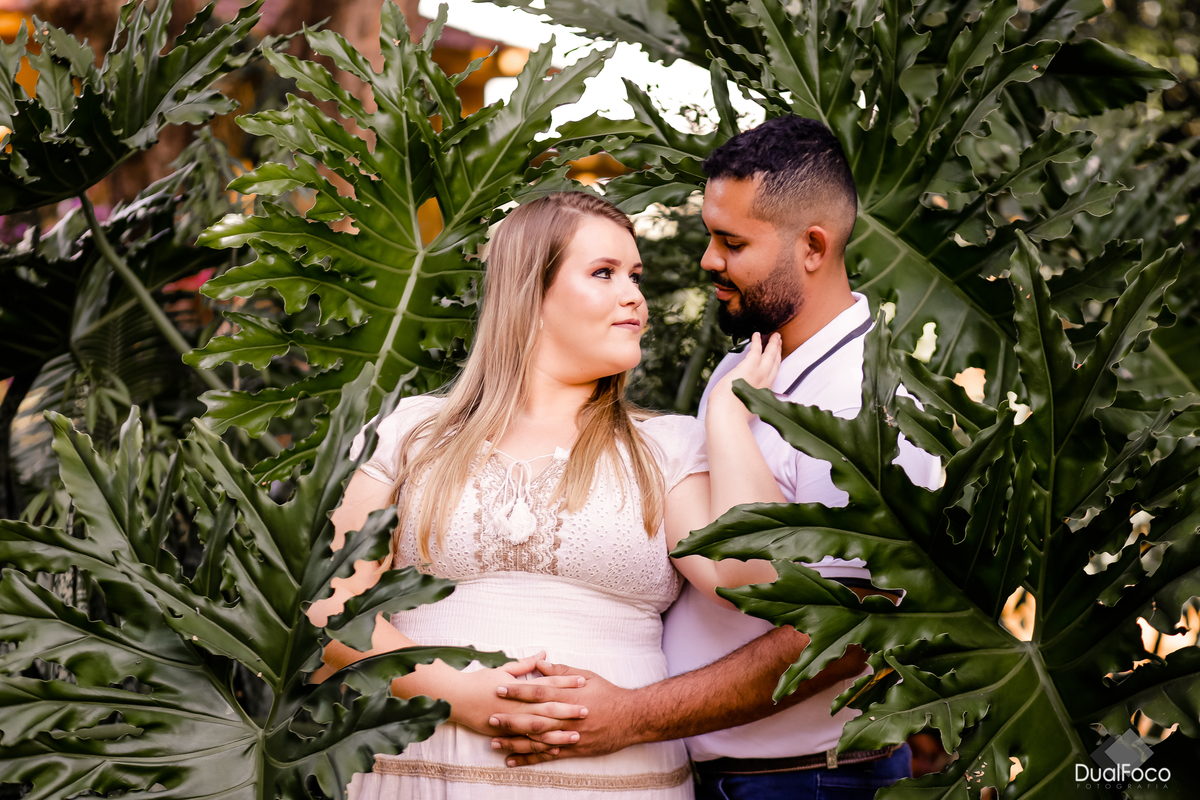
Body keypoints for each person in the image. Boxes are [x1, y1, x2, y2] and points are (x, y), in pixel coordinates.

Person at [490, 115, 941, 800]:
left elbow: (847, 633)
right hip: (699, 778)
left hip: (808, 784)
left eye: (732, 242)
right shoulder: (741, 367)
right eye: (710, 235)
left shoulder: (876, 405)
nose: (708, 260)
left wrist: (634, 715)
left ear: (812, 247)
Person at [307, 190, 791, 799]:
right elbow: (331, 606)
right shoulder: (414, 433)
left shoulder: (667, 446)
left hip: (617, 784)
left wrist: (728, 417)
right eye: (604, 273)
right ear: (530, 295)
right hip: (424, 774)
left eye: (635, 276)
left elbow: (754, 580)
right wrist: (457, 694)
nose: (634, 297)